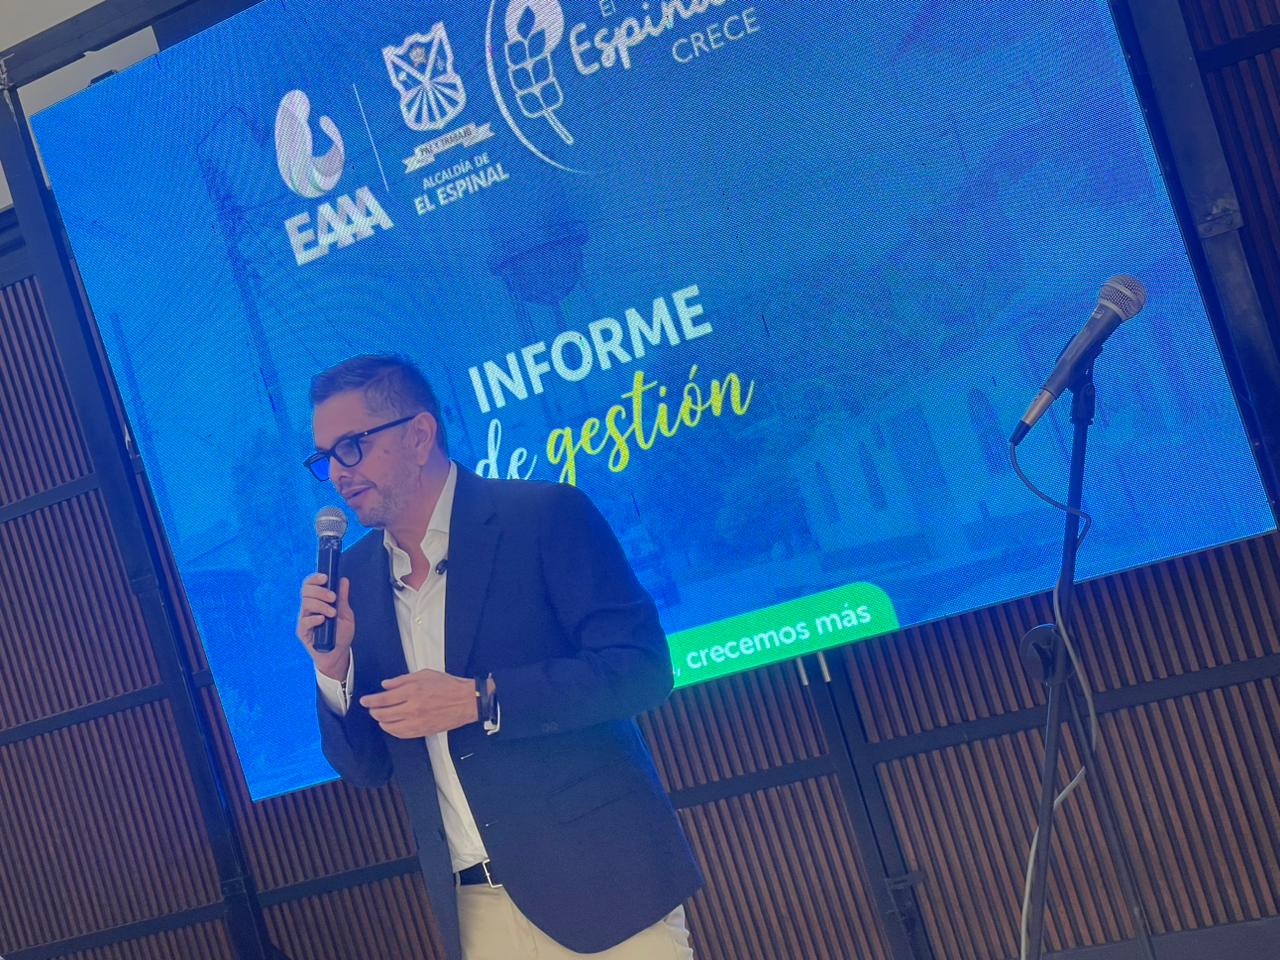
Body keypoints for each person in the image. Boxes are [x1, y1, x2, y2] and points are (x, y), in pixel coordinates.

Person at [294, 354, 703, 960]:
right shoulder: (354, 579)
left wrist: (479, 700)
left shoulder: (543, 516)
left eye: (352, 447)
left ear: (419, 435)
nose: (336, 474)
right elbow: (367, 769)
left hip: (603, 886)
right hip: (474, 910)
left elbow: (640, 670)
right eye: (325, 458)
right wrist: (333, 670)